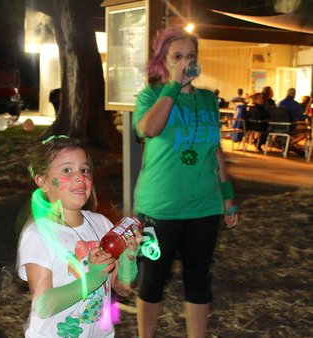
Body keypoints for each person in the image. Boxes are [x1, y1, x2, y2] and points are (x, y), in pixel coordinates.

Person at [132, 26, 239, 338]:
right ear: (163, 62)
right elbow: (149, 129)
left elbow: (214, 151)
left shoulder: (208, 100)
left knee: (198, 279)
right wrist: (174, 86)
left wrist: (228, 195)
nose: (185, 62)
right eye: (177, 57)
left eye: (190, 56)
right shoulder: (151, 96)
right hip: (159, 209)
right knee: (152, 278)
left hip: (205, 206)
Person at [17, 136, 142, 337]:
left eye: (84, 170)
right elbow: (43, 305)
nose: (80, 177)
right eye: (67, 170)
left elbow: (123, 288)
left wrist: (129, 260)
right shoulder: (39, 235)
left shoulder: (102, 224)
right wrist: (91, 280)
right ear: (43, 181)